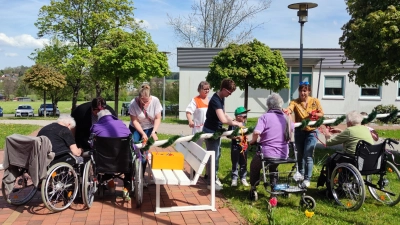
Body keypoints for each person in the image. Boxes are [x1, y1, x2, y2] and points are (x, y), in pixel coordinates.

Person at [203, 78, 243, 191]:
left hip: (216, 131)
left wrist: (235, 121)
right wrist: (235, 123)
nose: (230, 95)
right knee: (213, 157)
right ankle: (211, 182)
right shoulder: (216, 100)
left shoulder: (221, 98)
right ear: (224, 89)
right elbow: (223, 119)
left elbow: (224, 114)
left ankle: (212, 177)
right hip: (210, 132)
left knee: (217, 155)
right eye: (229, 92)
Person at [283, 82, 324, 188]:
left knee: (308, 155)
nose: (302, 93)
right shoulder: (295, 102)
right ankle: (300, 174)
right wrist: (287, 111)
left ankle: (307, 179)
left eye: (305, 91)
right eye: (301, 91)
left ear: (309, 91)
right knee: (300, 155)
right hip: (299, 132)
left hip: (312, 131)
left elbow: (321, 114)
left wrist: (314, 114)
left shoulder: (315, 101)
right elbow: (290, 108)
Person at [249, 93, 293, 190]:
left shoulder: (265, 117)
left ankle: (253, 187)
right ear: (280, 105)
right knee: (273, 167)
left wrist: (252, 141)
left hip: (266, 153)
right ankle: (274, 186)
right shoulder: (287, 118)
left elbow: (257, 132)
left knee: (254, 166)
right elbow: (291, 131)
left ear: (268, 105)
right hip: (283, 153)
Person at [90, 109, 132, 201]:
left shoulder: (95, 127)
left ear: (99, 118)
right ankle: (126, 188)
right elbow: (130, 139)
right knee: (130, 159)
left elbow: (92, 144)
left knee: (103, 155)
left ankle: (110, 182)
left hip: (104, 162)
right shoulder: (121, 124)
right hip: (123, 160)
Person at [228, 106, 250, 187]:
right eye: (244, 116)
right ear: (238, 117)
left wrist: (246, 137)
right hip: (235, 146)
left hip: (244, 146)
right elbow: (229, 136)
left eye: (246, 116)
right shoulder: (232, 124)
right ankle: (234, 178)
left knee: (244, 162)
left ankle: (243, 178)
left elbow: (245, 133)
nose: (245, 118)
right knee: (235, 163)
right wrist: (237, 137)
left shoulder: (243, 123)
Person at [186, 81, 210, 147]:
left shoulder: (211, 100)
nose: (207, 91)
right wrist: (190, 121)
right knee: (196, 149)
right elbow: (188, 112)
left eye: (208, 89)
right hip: (198, 128)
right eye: (205, 89)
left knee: (210, 148)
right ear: (200, 90)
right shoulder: (195, 100)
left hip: (209, 128)